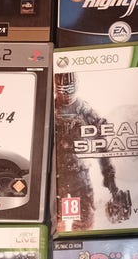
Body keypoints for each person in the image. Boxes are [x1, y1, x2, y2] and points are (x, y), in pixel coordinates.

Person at [54, 72, 131, 231]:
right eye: (62, 90)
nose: (66, 94)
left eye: (69, 89)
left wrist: (110, 180)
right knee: (56, 223)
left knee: (85, 222)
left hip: (80, 175)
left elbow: (102, 147)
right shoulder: (49, 110)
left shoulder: (86, 112)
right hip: (56, 176)